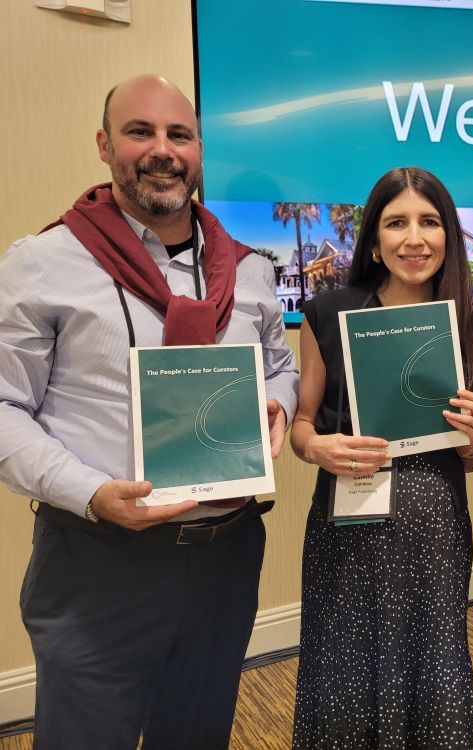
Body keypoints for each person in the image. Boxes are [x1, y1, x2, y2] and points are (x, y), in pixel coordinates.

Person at [0, 74, 298, 749]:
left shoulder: (249, 270)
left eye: (179, 135)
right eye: (141, 132)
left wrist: (275, 405)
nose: (162, 149)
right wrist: (94, 493)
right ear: (105, 145)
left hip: (227, 557)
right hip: (99, 562)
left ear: (198, 150)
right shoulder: (43, 262)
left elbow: (280, 367)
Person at [290, 166, 473, 749]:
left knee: (430, 675)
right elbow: (303, 427)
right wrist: (317, 447)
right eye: (396, 222)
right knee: (343, 681)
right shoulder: (329, 315)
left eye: (429, 222)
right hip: (347, 532)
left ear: (448, 235)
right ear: (375, 240)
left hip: (433, 536)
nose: (414, 238)